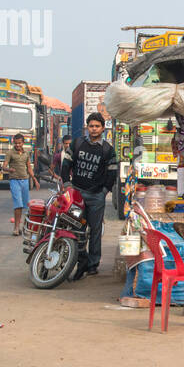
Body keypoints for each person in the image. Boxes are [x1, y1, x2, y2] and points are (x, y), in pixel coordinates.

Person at [58, 112, 117, 279]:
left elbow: (112, 173)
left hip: (96, 196)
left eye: (97, 126)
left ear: (103, 128)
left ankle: (92, 264)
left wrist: (104, 191)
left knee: (95, 231)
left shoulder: (108, 150)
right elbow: (66, 164)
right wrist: (67, 184)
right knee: (76, 228)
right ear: (87, 127)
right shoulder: (77, 144)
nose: (94, 129)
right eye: (91, 126)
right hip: (76, 194)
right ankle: (77, 260)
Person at [5, 133, 38, 235]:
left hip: (25, 181)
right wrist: (8, 169)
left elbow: (28, 167)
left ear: (23, 143)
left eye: (19, 143)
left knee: (27, 206)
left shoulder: (26, 153)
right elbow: (4, 166)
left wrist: (34, 179)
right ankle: (16, 227)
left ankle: (25, 227)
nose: (18, 145)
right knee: (18, 204)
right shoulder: (10, 153)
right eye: (16, 143)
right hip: (14, 180)